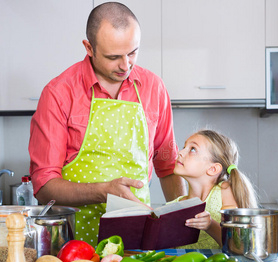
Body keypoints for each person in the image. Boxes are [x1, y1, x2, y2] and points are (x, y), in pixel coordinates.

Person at [28, 2, 186, 247]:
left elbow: (167, 165)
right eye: (113, 57)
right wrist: (103, 191)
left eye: (133, 52)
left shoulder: (154, 88)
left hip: (138, 243)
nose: (126, 65)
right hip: (74, 245)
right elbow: (45, 186)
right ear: (89, 48)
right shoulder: (59, 93)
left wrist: (180, 228)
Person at [170, 129, 259, 249]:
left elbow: (236, 245)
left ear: (213, 169)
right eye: (184, 147)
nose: (180, 152)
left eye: (192, 149)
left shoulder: (225, 191)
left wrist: (210, 225)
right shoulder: (175, 205)